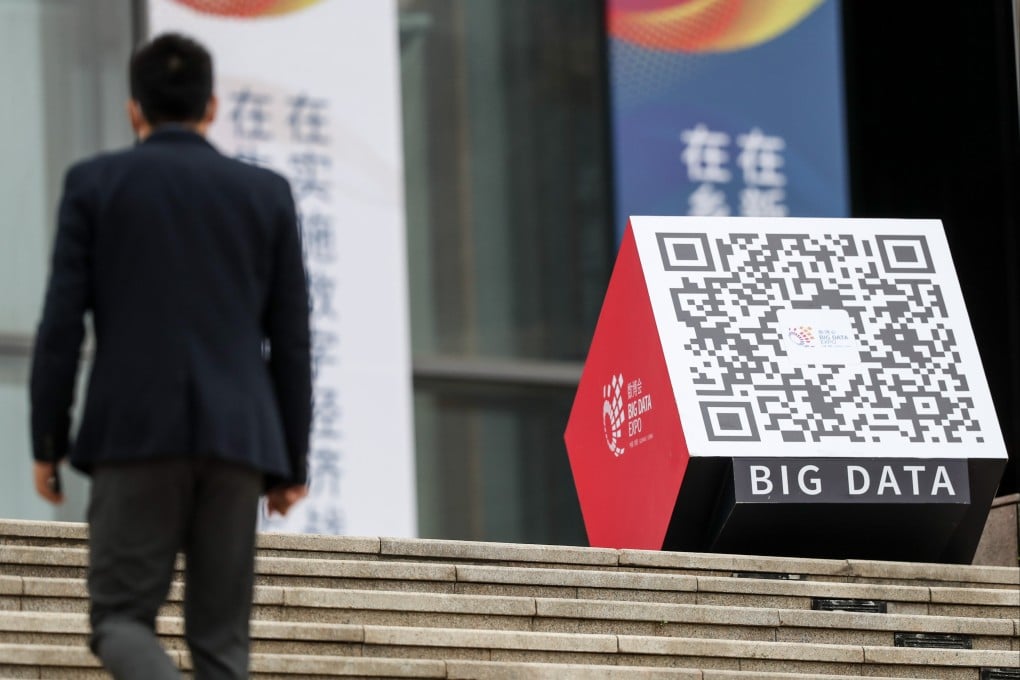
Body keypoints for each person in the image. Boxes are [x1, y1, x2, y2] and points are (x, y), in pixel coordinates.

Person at [28, 33, 312, 679]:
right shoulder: (265, 196)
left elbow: (61, 327)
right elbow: (291, 340)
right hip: (240, 445)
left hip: (135, 435)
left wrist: (48, 439)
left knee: (121, 621)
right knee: (221, 645)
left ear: (135, 110)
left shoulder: (94, 185)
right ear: (212, 107)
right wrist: (290, 463)